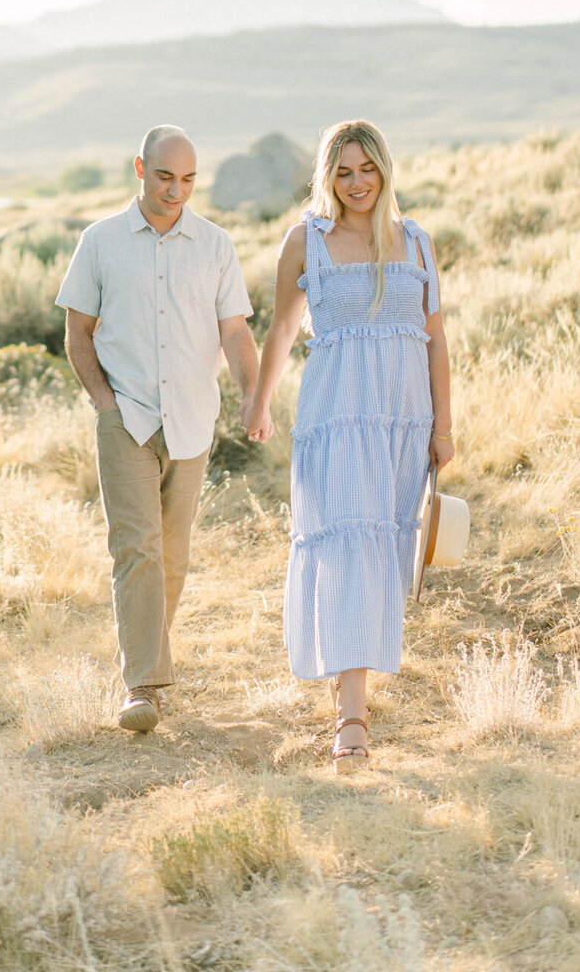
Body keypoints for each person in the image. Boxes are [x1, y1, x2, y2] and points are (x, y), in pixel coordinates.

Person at [241, 118, 453, 770]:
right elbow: (280, 330)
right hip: (335, 418)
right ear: (326, 177)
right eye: (343, 171)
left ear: (385, 170)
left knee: (382, 552)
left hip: (401, 420)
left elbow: (436, 340)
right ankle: (352, 717)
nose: (357, 183)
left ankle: (349, 678)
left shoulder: (415, 242)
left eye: (366, 169)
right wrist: (258, 400)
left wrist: (444, 426)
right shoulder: (307, 241)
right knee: (346, 547)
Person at [57, 124, 259, 733]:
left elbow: (235, 333)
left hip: (193, 421)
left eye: (189, 180)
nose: (177, 191)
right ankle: (142, 686)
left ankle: (147, 665)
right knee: (137, 549)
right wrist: (104, 405)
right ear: (140, 169)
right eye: (166, 177)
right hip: (128, 418)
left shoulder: (216, 245)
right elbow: (77, 333)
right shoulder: (100, 242)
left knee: (172, 557)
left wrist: (254, 395)